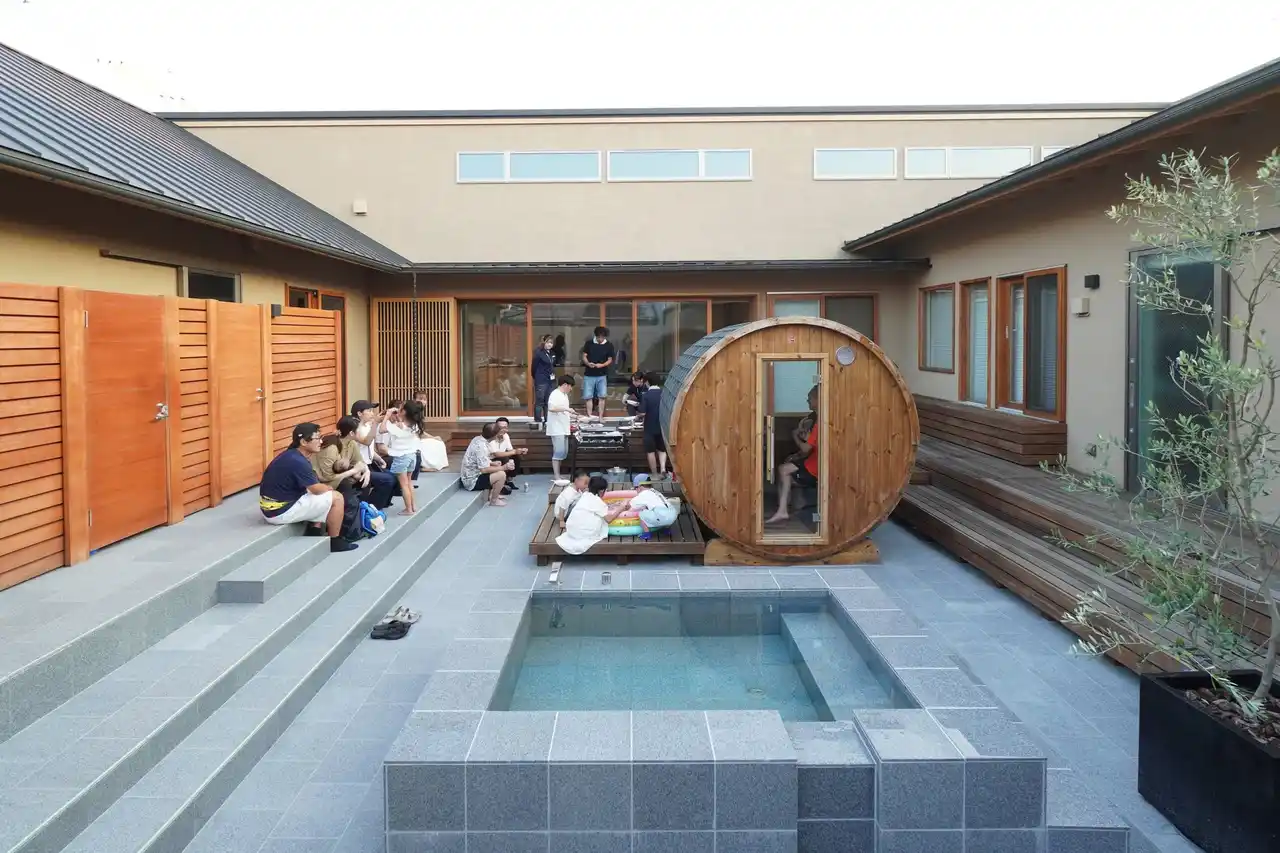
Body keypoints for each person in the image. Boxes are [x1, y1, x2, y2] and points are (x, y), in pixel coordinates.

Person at [259, 422, 357, 553]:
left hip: (271, 508)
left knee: (319, 495)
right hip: (279, 512)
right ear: (304, 442)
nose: (321, 441)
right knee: (337, 498)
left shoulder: (291, 455)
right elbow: (316, 489)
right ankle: (335, 542)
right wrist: (328, 488)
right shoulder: (298, 461)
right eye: (317, 438)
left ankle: (315, 529)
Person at [766, 385, 820, 525]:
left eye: (810, 399)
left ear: (817, 399)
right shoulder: (816, 419)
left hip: (815, 468)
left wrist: (795, 436)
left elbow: (806, 449)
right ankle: (784, 508)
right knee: (785, 467)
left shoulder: (820, 423)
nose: (808, 401)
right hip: (812, 461)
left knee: (784, 470)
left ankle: (783, 510)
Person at [555, 475, 628, 555]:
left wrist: (612, 505)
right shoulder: (597, 501)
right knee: (602, 521)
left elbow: (595, 507)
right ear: (601, 491)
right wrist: (621, 508)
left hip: (572, 531)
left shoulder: (585, 495)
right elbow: (608, 519)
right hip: (584, 534)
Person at [382, 400, 428, 516]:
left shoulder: (399, 426)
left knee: (403, 485)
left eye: (401, 408)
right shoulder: (415, 425)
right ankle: (413, 506)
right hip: (412, 456)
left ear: (404, 412)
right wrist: (398, 418)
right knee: (409, 482)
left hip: (401, 457)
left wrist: (387, 416)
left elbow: (381, 429)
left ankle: (408, 510)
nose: (399, 410)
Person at [350, 401, 400, 506]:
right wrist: (376, 423)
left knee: (393, 476)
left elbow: (369, 449)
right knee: (387, 480)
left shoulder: (367, 425)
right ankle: (371, 507)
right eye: (369, 411)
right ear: (359, 413)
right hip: (359, 466)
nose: (372, 413)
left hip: (369, 463)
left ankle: (382, 504)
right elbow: (367, 442)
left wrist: (379, 459)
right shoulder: (354, 428)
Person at [461, 422, 511, 507]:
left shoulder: (477, 439)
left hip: (472, 473)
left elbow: (479, 459)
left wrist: (491, 463)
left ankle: (493, 494)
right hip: (472, 481)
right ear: (494, 435)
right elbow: (484, 470)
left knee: (498, 466)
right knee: (501, 474)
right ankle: (494, 501)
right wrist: (504, 467)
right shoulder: (482, 447)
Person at [636, 372, 669, 479]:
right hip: (662, 426)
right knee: (662, 449)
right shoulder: (664, 394)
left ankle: (654, 474)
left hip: (649, 427)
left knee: (650, 451)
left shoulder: (646, 395)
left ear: (647, 382)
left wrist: (637, 415)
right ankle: (663, 469)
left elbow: (642, 412)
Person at [629, 473, 679, 539]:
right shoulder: (655, 491)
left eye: (636, 487)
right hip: (673, 515)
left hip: (662, 517)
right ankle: (666, 530)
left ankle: (646, 533)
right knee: (662, 512)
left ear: (640, 487)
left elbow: (631, 507)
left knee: (641, 512)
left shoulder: (643, 494)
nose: (636, 490)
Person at [545, 374, 576, 480]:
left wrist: (577, 416)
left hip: (564, 427)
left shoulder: (564, 395)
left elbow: (565, 412)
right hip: (556, 428)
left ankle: (558, 474)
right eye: (570, 386)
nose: (571, 389)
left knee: (563, 452)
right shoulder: (555, 394)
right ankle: (556, 475)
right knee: (558, 452)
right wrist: (567, 409)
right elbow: (551, 408)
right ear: (565, 385)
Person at [580, 326, 615, 418]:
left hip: (602, 375)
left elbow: (610, 359)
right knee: (588, 397)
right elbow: (584, 356)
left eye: (602, 337)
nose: (600, 339)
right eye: (598, 337)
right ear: (595, 336)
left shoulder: (609, 345)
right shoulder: (589, 343)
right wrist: (588, 363)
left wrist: (601, 365)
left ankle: (600, 417)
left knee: (602, 396)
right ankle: (589, 416)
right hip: (589, 374)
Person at [488, 417, 528, 494]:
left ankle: (509, 480)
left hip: (501, 457)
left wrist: (520, 450)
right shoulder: (491, 436)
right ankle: (500, 483)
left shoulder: (506, 435)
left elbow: (510, 450)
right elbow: (496, 454)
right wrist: (515, 452)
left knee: (516, 457)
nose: (502, 429)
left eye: (505, 427)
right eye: (500, 427)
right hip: (491, 460)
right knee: (506, 458)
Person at [531, 334, 556, 428]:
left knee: (548, 401)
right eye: (548, 342)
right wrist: (536, 376)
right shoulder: (538, 352)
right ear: (544, 342)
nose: (550, 344)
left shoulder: (552, 353)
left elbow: (552, 365)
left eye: (551, 343)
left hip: (550, 380)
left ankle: (547, 420)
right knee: (540, 400)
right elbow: (534, 367)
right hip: (541, 380)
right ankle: (538, 420)